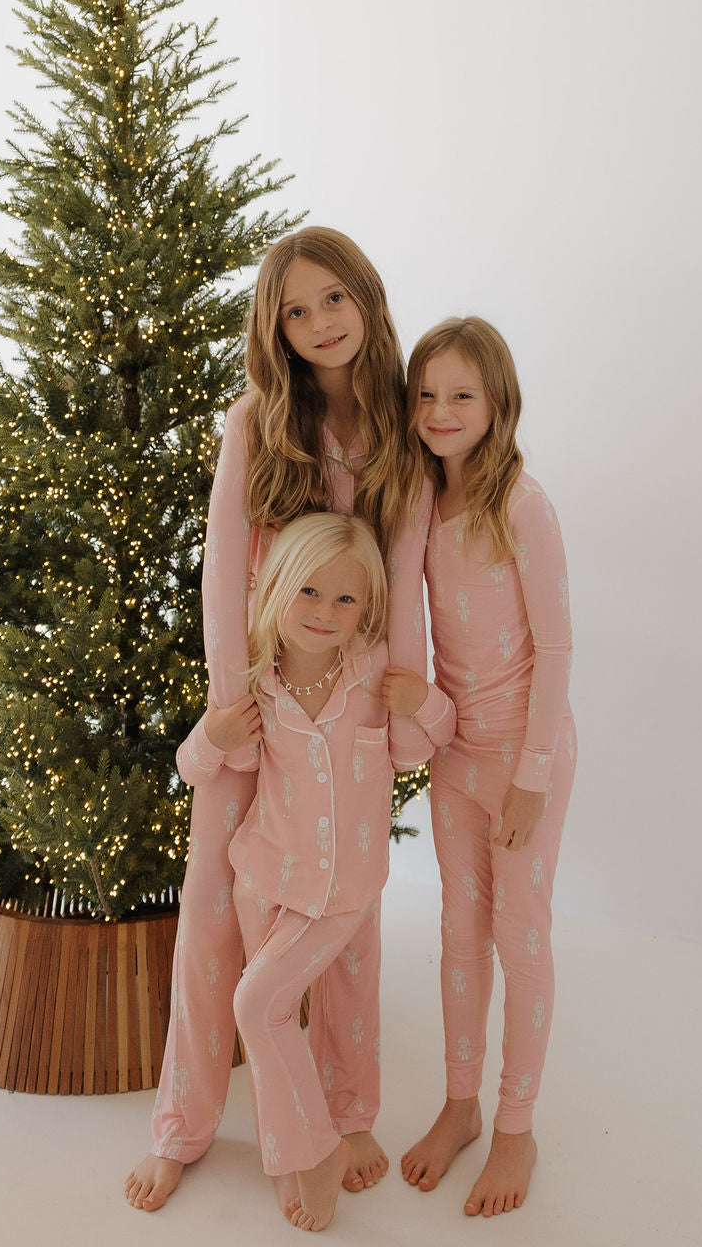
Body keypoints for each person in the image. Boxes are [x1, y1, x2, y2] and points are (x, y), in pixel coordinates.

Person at [125, 227, 435, 1212]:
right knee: (212, 925)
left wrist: (395, 695)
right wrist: (230, 709)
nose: (317, 325)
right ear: (277, 328)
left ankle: (345, 1116)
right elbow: (228, 565)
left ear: (366, 300)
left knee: (347, 926)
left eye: (331, 301)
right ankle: (182, 1125)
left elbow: (411, 572)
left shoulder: (400, 423)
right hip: (256, 705)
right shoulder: (255, 420)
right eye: (294, 311)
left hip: (348, 713)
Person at [384, 317, 576, 1218]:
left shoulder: (520, 504)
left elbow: (556, 645)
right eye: (426, 394)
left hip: (520, 757)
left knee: (519, 933)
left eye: (461, 394)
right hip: (456, 754)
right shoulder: (423, 500)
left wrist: (532, 775)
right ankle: (461, 1106)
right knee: (460, 932)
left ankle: (516, 1126)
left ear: (496, 401)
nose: (440, 410)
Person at [215, 511, 453, 1230]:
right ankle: (293, 1155)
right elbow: (206, 762)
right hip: (265, 875)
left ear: (368, 609)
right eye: (310, 593)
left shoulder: (376, 671)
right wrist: (212, 738)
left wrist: (428, 703)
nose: (324, 613)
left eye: (345, 600)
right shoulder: (258, 681)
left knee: (271, 1005)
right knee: (270, 1016)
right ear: (279, 589)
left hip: (345, 888)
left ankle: (329, 1141)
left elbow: (424, 746)